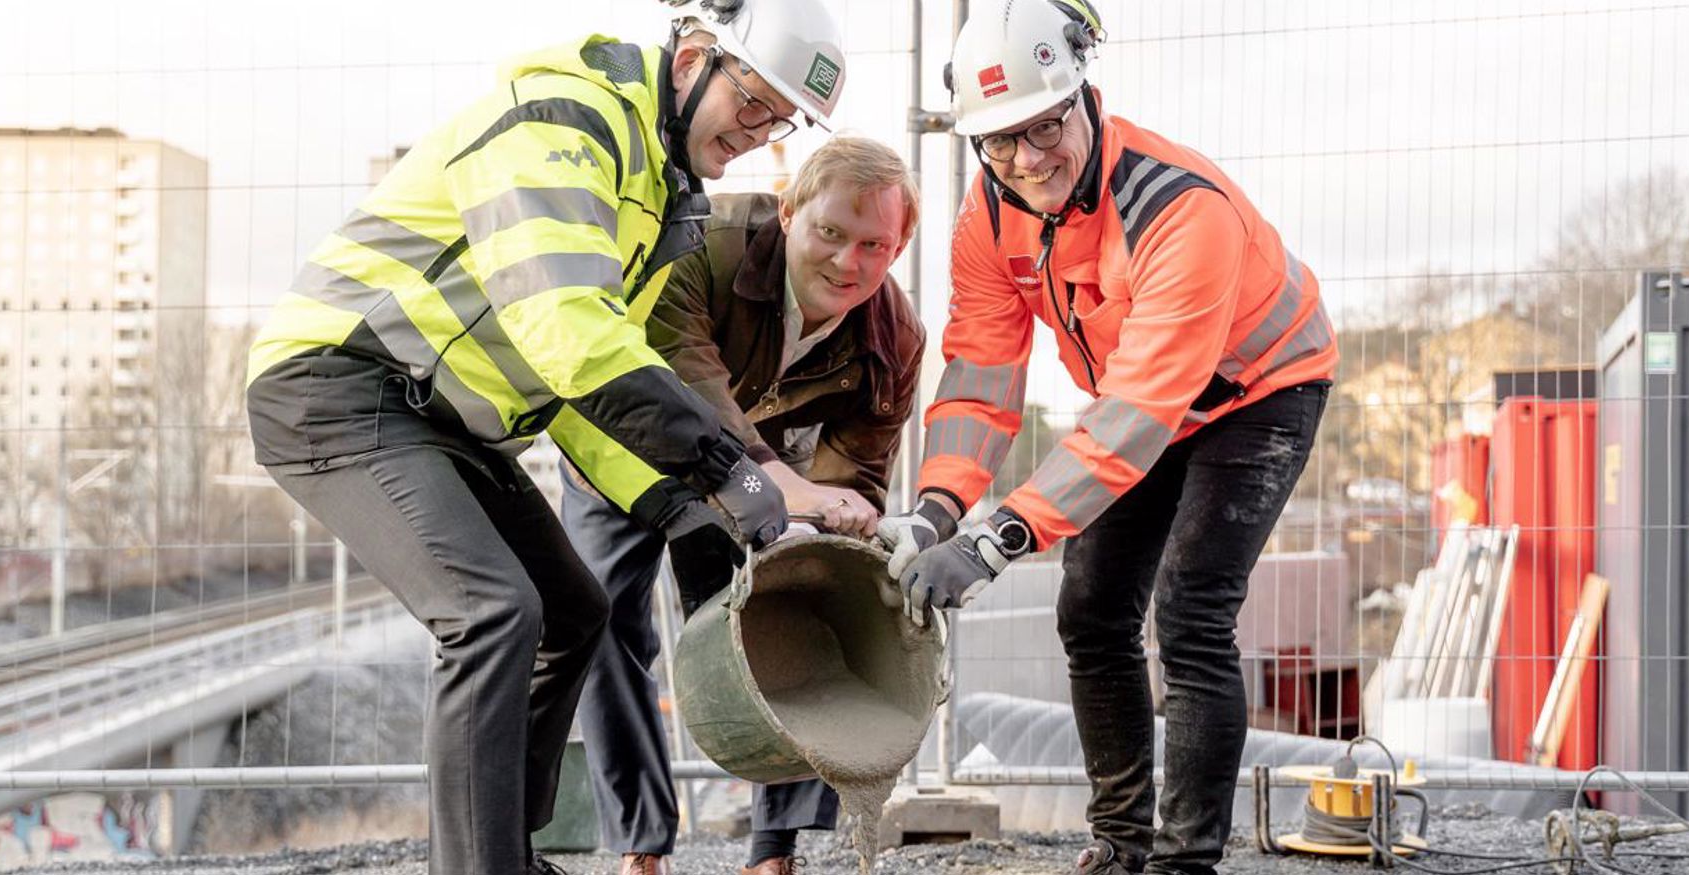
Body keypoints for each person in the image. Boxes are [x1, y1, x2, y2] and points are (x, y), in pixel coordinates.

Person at [242, 1, 849, 871]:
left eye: (781, 119)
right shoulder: (565, 117)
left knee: (574, 611)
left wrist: (698, 507)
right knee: (491, 611)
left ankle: (506, 851)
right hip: (339, 380)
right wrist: (731, 469)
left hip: (441, 415)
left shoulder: (658, 184)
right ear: (694, 60)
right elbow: (569, 335)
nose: (759, 132)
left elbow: (592, 394)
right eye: (753, 102)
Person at [875, 2, 1340, 874]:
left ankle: (1184, 859)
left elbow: (1135, 418)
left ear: (1084, 94)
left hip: (1262, 389)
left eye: (1044, 126)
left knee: (1193, 608)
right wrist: (937, 510)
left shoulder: (1178, 210)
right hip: (1146, 400)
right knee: (1089, 608)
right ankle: (1122, 842)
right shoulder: (991, 211)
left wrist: (993, 540)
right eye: (999, 141)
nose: (1028, 159)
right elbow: (981, 367)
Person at [561, 134, 924, 875]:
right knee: (601, 620)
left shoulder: (897, 335)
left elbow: (856, 462)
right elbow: (685, 373)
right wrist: (774, 481)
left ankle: (773, 849)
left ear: (900, 244)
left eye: (874, 244)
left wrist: (831, 513)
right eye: (830, 232)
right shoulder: (705, 242)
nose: (848, 263)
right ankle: (641, 842)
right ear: (789, 211)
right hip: (629, 437)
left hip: (763, 469)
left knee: (788, 601)